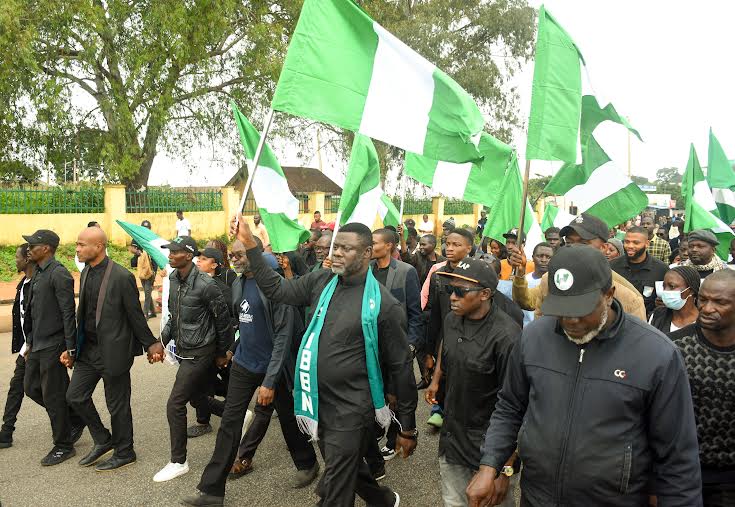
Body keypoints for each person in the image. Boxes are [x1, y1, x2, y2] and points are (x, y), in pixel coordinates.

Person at [466, 245, 703, 506]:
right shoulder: (533, 338)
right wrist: (489, 466)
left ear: (609, 295)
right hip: (537, 498)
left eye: (581, 310)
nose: (571, 321)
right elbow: (510, 407)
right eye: (562, 310)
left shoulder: (657, 354)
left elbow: (677, 456)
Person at [231, 214, 417, 507]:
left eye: (347, 248)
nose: (338, 253)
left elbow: (401, 367)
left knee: (336, 489)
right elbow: (278, 290)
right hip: (317, 400)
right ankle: (382, 500)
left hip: (353, 408)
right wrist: (251, 244)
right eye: (336, 247)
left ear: (368, 253)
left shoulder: (383, 305)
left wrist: (407, 426)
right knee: (346, 468)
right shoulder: (322, 279)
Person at [181, 240, 319, 507]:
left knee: (289, 418)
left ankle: (307, 464)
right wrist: (234, 349)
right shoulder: (238, 283)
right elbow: (244, 324)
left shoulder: (277, 287)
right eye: (231, 254)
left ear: (254, 255)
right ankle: (211, 491)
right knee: (230, 424)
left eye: (240, 254)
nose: (235, 258)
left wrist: (269, 380)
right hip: (245, 364)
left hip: (275, 367)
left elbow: (283, 336)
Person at [64, 227, 164, 471]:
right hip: (88, 351)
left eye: (81, 244)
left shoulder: (120, 277)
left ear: (98, 247)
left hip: (114, 351)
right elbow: (84, 314)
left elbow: (134, 315)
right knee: (74, 396)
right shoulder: (86, 272)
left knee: (117, 405)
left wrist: (150, 343)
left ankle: (125, 451)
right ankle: (102, 439)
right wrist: (72, 348)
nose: (77, 249)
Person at [425, 258, 521, 507]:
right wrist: (436, 379)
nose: (452, 297)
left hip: (487, 447)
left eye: (460, 291)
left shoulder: (507, 337)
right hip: (452, 437)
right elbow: (446, 344)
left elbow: (517, 405)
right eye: (450, 289)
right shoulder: (452, 319)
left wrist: (504, 470)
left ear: (485, 294)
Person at [154, 236, 233, 482]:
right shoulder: (174, 279)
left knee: (175, 403)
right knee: (196, 397)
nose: (170, 255)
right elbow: (174, 318)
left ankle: (179, 462)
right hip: (184, 348)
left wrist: (222, 352)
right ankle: (235, 415)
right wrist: (161, 341)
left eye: (175, 251)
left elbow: (223, 321)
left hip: (202, 350)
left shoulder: (206, 285)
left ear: (188, 255)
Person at [670, 270, 735, 506]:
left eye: (720, 302)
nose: (707, 308)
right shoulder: (674, 349)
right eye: (703, 299)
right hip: (680, 476)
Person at [22, 229, 84, 465]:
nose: (29, 249)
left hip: (54, 343)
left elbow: (68, 313)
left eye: (33, 245)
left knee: (54, 395)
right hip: (37, 344)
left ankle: (63, 445)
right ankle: (76, 417)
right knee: (31, 388)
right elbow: (33, 311)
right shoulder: (38, 272)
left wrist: (70, 348)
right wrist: (29, 342)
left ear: (46, 248)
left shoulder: (58, 274)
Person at [510, 213, 647, 320]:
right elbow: (526, 302)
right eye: (569, 242)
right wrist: (520, 273)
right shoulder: (551, 279)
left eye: (583, 243)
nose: (574, 249)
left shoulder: (630, 299)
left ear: (603, 248)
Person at [365, 228, 422, 470]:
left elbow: (415, 314)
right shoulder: (365, 271)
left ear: (389, 246)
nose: (370, 246)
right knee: (378, 392)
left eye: (374, 242)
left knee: (397, 394)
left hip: (397, 346)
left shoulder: (406, 272)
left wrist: (411, 344)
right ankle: (380, 429)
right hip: (372, 346)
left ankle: (394, 437)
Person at [186, 247, 235, 438]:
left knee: (201, 385)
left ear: (214, 265)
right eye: (198, 257)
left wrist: (225, 350)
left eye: (204, 259)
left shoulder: (220, 289)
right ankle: (208, 419)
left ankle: (225, 415)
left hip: (216, 346)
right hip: (199, 346)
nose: (198, 261)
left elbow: (230, 318)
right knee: (201, 384)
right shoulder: (192, 283)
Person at [0, 244, 34, 449]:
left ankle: (74, 419)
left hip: (38, 345)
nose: (15, 260)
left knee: (43, 390)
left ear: (27, 259)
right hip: (27, 347)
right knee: (16, 387)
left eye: (17, 256)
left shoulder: (37, 283)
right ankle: (6, 432)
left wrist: (30, 343)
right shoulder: (23, 283)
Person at [610, 226, 669, 316]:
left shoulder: (661, 269)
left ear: (647, 244)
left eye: (636, 243)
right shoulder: (612, 267)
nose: (630, 246)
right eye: (627, 242)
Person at [648, 266, 700, 335]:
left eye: (672, 286)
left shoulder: (705, 321)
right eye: (664, 286)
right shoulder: (657, 316)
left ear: (690, 291)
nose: (666, 291)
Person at [523, 242, 554, 326]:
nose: (544, 260)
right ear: (533, 257)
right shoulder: (523, 280)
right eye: (540, 256)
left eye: (548, 257)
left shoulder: (554, 282)